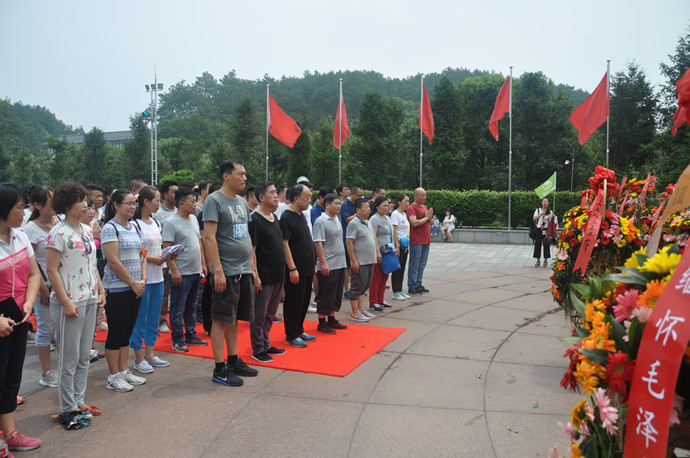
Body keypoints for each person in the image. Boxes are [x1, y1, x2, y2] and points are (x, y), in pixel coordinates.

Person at [45, 182, 105, 425]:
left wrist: (100, 290)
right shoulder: (58, 233)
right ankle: (68, 406)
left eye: (85, 200)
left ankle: (79, 400)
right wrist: (65, 301)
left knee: (83, 356)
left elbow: (92, 264)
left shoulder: (87, 230)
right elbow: (52, 270)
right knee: (68, 358)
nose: (86, 204)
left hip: (89, 298)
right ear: (68, 204)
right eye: (81, 200)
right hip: (69, 302)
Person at [203, 159, 259, 387]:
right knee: (220, 319)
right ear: (226, 176)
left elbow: (246, 235)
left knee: (235, 318)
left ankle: (234, 360)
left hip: (243, 270)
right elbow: (209, 237)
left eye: (245, 174)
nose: (245, 178)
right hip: (226, 271)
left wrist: (252, 268)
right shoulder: (214, 201)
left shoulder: (242, 202)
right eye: (240, 174)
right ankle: (219, 368)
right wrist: (218, 270)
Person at [0, 183, 42, 451]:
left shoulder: (20, 237)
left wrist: (29, 301)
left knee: (11, 377)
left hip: (19, 317)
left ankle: (10, 433)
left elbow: (34, 273)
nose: (23, 212)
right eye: (19, 207)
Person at [100, 189, 147, 392]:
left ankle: (123, 371)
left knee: (127, 331)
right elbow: (113, 261)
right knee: (116, 332)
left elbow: (142, 255)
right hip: (117, 288)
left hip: (135, 287)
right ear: (116, 205)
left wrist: (142, 280)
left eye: (134, 203)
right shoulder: (110, 228)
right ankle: (113, 376)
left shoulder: (135, 226)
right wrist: (132, 283)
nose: (132, 207)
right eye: (128, 203)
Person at [129, 186, 170, 374]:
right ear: (146, 202)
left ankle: (150, 354)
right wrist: (151, 258)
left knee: (154, 318)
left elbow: (158, 246)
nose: (159, 204)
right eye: (157, 200)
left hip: (158, 277)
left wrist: (165, 255)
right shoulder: (135, 225)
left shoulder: (156, 223)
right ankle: (138, 358)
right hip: (142, 278)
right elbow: (136, 250)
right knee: (140, 319)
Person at [163, 187, 208, 352]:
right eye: (192, 202)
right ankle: (177, 339)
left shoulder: (194, 219)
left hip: (195, 271)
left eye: (195, 201)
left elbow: (199, 243)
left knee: (192, 306)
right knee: (177, 308)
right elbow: (167, 249)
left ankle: (191, 335)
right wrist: (174, 270)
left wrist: (203, 264)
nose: (195, 204)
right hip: (181, 273)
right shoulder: (171, 222)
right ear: (181, 204)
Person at [22, 185, 58, 388]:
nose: (55, 204)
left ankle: (65, 368)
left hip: (61, 284)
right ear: (37, 205)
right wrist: (42, 288)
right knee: (45, 329)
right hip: (44, 286)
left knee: (61, 328)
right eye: (50, 201)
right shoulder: (31, 229)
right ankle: (46, 373)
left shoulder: (58, 221)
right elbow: (30, 262)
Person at [248, 182, 286, 362]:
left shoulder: (274, 217)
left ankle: (265, 343)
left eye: (276, 192)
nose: (276, 195)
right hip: (264, 276)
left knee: (271, 314)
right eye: (272, 192)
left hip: (278, 274)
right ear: (261, 197)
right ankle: (257, 349)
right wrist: (255, 275)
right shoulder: (254, 220)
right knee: (259, 315)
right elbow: (252, 250)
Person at [280, 184, 316, 348]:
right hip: (295, 268)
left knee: (304, 300)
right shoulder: (287, 217)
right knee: (294, 301)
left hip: (307, 266)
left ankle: (299, 329)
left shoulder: (301, 215)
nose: (309, 199)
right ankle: (291, 334)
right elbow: (285, 244)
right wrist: (292, 268)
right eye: (307, 196)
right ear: (296, 198)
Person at [313, 193, 348, 334]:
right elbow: (318, 243)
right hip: (328, 264)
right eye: (336, 203)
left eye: (340, 204)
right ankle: (322, 322)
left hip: (340, 263)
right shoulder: (320, 221)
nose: (339, 206)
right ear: (327, 205)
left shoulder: (336, 219)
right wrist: (323, 263)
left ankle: (331, 319)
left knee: (336, 294)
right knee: (326, 294)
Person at [346, 198, 377, 322]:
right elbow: (349, 242)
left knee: (364, 286)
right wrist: (354, 261)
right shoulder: (353, 224)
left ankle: (361, 309)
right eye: (366, 207)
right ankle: (354, 312)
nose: (369, 209)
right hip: (360, 261)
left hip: (369, 260)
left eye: (369, 207)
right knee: (357, 286)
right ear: (358, 209)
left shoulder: (367, 222)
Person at [154, 180, 178, 334]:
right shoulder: (157, 214)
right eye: (173, 192)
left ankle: (179, 318)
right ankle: (161, 320)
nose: (176, 194)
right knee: (165, 291)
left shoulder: (180, 211)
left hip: (180, 256)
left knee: (180, 290)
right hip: (165, 256)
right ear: (164, 194)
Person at [369, 196, 397, 312]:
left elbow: (392, 233)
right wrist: (377, 252)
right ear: (377, 206)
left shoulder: (387, 218)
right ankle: (373, 302)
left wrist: (395, 247)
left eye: (387, 205)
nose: (386, 208)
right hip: (379, 253)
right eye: (384, 205)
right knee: (376, 278)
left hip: (388, 252)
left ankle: (380, 299)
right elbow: (373, 236)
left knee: (384, 277)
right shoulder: (374, 219)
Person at [407, 188, 433, 295]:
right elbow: (414, 223)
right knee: (415, 264)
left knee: (422, 264)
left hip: (426, 240)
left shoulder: (424, 207)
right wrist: (427, 218)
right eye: (422, 195)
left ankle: (418, 284)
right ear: (415, 196)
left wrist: (430, 217)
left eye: (425, 195)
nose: (424, 197)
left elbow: (430, 222)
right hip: (416, 240)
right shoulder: (411, 208)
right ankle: (412, 285)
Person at [390, 194, 411, 301]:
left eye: (408, 201)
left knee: (402, 268)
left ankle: (400, 289)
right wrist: (397, 245)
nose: (407, 203)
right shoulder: (395, 214)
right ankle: (395, 292)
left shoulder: (404, 214)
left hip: (405, 244)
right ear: (399, 202)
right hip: (398, 245)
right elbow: (394, 230)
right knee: (397, 268)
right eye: (405, 201)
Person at [533, 197, 556, 268]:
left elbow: (552, 222)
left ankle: (545, 261)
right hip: (539, 229)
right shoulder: (538, 210)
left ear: (548, 203)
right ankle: (538, 260)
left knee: (546, 245)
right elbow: (534, 219)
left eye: (546, 201)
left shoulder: (550, 211)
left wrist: (552, 217)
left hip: (546, 230)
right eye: (543, 201)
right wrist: (541, 214)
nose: (544, 203)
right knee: (537, 244)